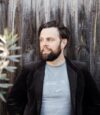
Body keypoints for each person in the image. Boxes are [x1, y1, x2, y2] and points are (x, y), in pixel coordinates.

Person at [7, 20, 100, 115]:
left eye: (49, 39)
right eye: (41, 40)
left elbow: (94, 103)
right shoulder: (30, 70)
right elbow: (13, 101)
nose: (44, 44)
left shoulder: (80, 70)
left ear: (63, 43)